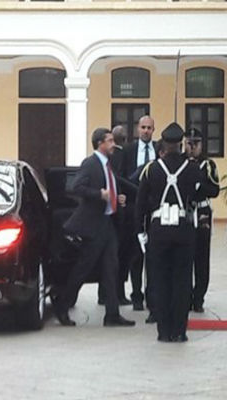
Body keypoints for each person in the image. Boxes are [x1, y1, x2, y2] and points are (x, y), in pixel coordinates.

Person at [54, 128, 135, 328]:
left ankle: (112, 314)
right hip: (93, 224)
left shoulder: (109, 165)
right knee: (84, 267)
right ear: (100, 143)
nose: (113, 145)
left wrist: (118, 197)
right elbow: (77, 187)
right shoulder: (90, 164)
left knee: (111, 268)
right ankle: (62, 306)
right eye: (109, 141)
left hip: (108, 223)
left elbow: (113, 187)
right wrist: (99, 194)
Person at [135, 122, 206, 342]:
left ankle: (163, 331)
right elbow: (200, 196)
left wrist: (140, 232)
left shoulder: (152, 169)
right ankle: (179, 330)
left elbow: (140, 205)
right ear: (180, 144)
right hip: (183, 230)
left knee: (160, 279)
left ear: (164, 145)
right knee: (182, 281)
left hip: (159, 230)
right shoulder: (193, 169)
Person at [121, 115, 158, 312]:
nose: (145, 131)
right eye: (142, 127)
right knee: (135, 256)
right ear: (137, 129)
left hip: (155, 210)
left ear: (154, 130)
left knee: (153, 256)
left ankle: (152, 295)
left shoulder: (159, 150)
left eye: (149, 128)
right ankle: (136, 295)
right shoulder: (128, 151)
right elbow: (121, 177)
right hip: (135, 209)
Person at [185, 128, 220, 313]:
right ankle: (185, 294)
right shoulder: (180, 162)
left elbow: (215, 189)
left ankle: (199, 297)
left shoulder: (208, 164)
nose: (192, 148)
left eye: (195, 143)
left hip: (202, 211)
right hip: (185, 210)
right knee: (184, 256)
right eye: (188, 143)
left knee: (201, 256)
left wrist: (199, 184)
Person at [97, 124, 132, 305]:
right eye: (108, 140)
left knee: (110, 260)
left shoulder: (107, 160)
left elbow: (115, 181)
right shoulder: (100, 162)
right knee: (114, 258)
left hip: (111, 217)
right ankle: (114, 296)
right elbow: (122, 179)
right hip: (108, 219)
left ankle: (108, 302)